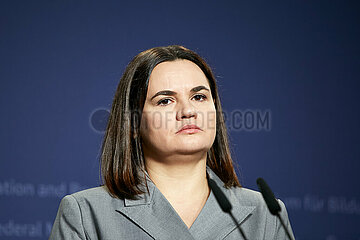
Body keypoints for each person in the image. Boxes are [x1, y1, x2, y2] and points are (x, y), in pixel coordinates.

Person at [49, 45, 295, 239]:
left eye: (199, 97)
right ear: (133, 123)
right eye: (165, 101)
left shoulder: (266, 213)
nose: (188, 111)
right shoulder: (85, 213)